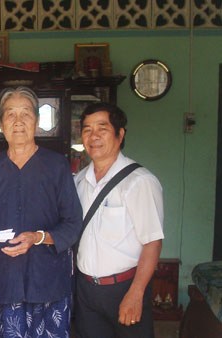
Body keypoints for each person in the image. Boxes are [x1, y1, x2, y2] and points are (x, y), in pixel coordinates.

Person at [0, 86, 83, 338]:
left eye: (26, 114)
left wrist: (38, 237)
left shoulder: (56, 166)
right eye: (10, 114)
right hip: (4, 283)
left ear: (37, 122)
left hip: (48, 283)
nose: (18, 122)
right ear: (0, 122)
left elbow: (73, 223)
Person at [74, 102, 164, 337]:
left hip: (124, 288)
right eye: (87, 129)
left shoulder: (139, 181)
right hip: (85, 291)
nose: (93, 136)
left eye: (102, 128)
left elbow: (152, 242)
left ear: (119, 133)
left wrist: (136, 293)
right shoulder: (79, 181)